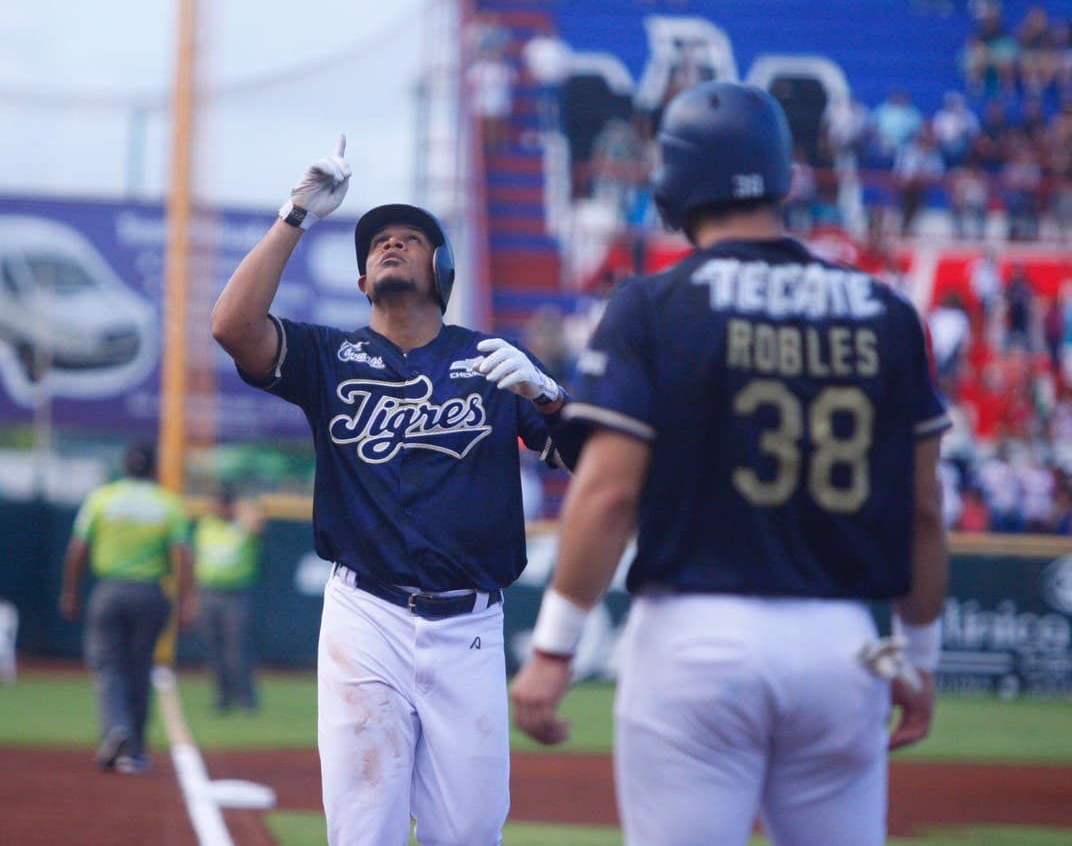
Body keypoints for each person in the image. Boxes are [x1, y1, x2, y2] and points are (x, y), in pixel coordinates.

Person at [510, 82, 950, 845]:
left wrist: (553, 649)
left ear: (674, 180)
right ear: (782, 174)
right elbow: (922, 509)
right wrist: (920, 656)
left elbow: (609, 493)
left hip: (694, 639)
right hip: (840, 642)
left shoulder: (653, 303)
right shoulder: (886, 310)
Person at [209, 135, 582, 845]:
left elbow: (583, 460)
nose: (390, 245)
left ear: (440, 269)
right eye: (378, 241)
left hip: (469, 625)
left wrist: (553, 396)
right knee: (363, 829)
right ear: (359, 283)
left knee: (470, 832)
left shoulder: (493, 361)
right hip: (366, 616)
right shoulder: (329, 356)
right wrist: (296, 215)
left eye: (410, 240)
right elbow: (231, 326)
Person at [59, 441, 195, 775]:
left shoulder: (103, 498)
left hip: (110, 590)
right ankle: (133, 750)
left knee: (108, 666)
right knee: (139, 668)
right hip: (151, 594)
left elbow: (77, 549)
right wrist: (187, 600)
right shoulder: (168, 503)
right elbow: (183, 556)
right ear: (154, 468)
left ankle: (117, 729)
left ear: (124, 465)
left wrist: (70, 592)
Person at [194, 486, 264, 714]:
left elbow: (257, 522)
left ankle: (245, 698)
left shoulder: (242, 525)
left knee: (237, 649)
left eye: (225, 503)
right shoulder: (206, 525)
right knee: (214, 649)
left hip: (236, 594)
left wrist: (240, 507)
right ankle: (221, 697)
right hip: (209, 593)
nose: (221, 508)